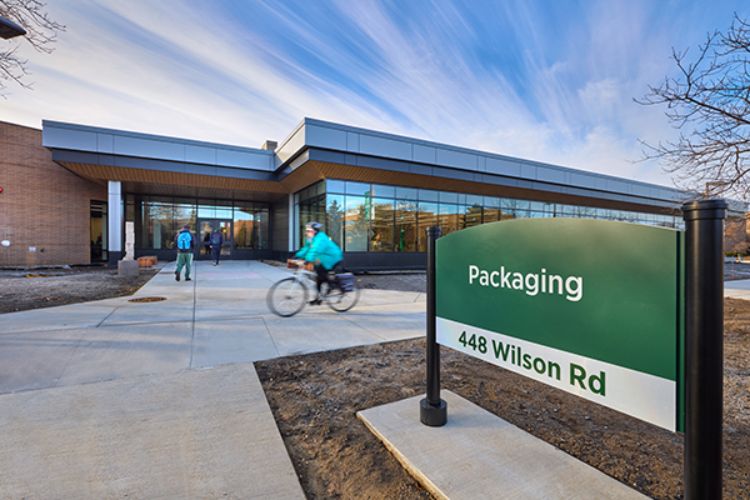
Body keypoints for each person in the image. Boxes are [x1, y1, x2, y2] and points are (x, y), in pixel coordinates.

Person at [295, 221, 343, 305]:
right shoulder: (311, 239)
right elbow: (306, 248)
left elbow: (315, 250)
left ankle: (332, 286)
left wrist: (308, 260)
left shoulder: (321, 238)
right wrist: (297, 255)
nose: (307, 232)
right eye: (306, 231)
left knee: (321, 276)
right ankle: (319, 298)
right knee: (318, 278)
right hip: (325, 259)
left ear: (315, 231)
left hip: (333, 258)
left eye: (309, 231)